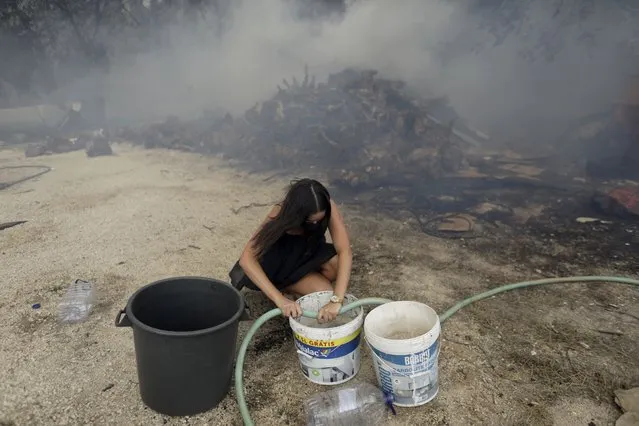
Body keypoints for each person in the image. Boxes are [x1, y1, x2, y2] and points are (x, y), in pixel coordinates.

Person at [229, 178, 352, 323]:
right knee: (323, 293)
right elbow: (246, 259)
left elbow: (345, 251)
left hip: (306, 252)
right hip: (280, 265)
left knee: (337, 265)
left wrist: (337, 300)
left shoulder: (325, 205)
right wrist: (280, 300)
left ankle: (297, 287)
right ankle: (285, 289)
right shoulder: (279, 214)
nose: (315, 224)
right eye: (310, 222)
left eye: (319, 220)